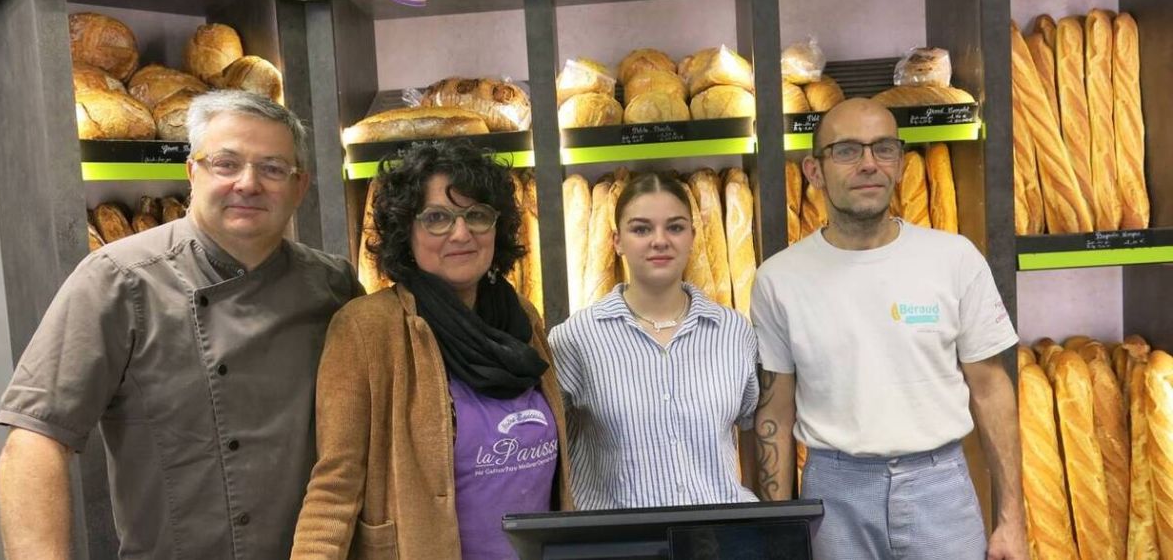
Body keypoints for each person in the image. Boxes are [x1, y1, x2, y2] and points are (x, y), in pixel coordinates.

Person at [0, 90, 362, 559]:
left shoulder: (334, 284)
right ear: (193, 172)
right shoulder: (119, 279)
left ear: (300, 185)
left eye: (272, 168)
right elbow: (35, 441)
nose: (248, 184)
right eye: (226, 163)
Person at [750, 98, 1027, 560]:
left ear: (900, 164)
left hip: (940, 488)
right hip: (834, 495)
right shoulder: (779, 279)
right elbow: (775, 411)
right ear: (813, 171)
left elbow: (992, 388)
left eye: (883, 149)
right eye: (846, 151)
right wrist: (779, 533)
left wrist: (1012, 520)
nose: (868, 164)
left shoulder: (954, 258)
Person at [291, 140, 570, 560]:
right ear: (408, 231)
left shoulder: (522, 317)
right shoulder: (367, 329)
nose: (461, 233)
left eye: (477, 215)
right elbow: (335, 484)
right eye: (437, 218)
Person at [549, 171, 760, 510]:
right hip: (620, 542)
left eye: (675, 227)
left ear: (693, 236)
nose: (659, 240)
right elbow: (553, 447)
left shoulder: (734, 332)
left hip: (717, 537)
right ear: (617, 241)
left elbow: (751, 430)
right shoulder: (576, 338)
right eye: (641, 229)